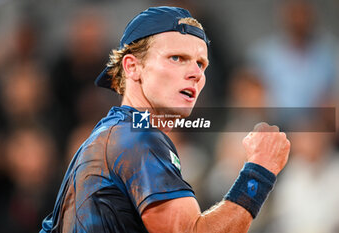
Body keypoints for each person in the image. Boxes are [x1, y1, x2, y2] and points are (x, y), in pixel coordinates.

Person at [40, 6, 290, 233]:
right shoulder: (136, 137)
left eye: (201, 64)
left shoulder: (113, 135)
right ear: (132, 67)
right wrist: (260, 169)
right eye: (177, 58)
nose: (195, 73)